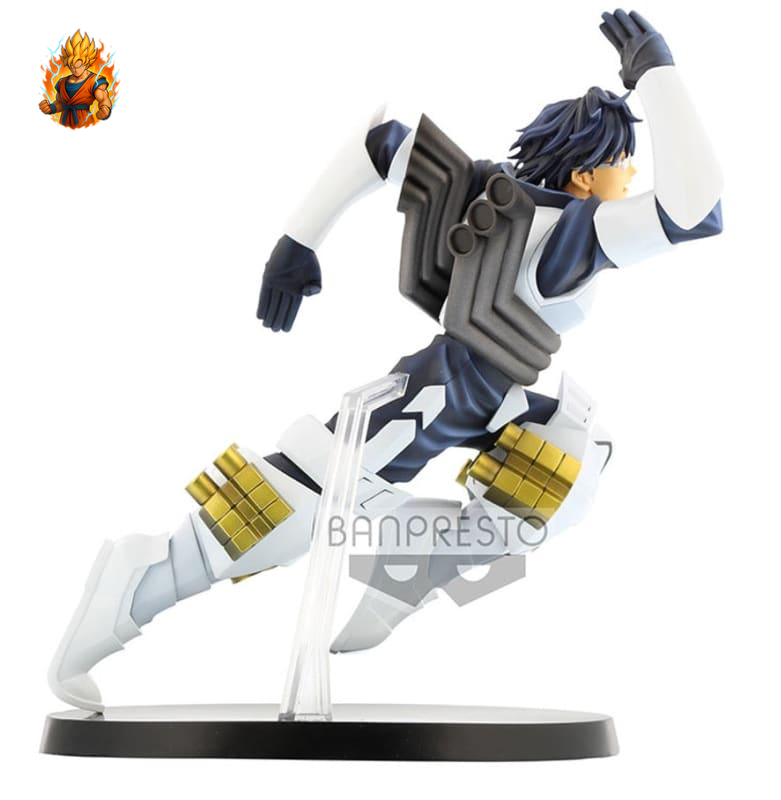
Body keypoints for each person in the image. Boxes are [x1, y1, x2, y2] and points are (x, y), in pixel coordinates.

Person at [49, 10, 722, 712]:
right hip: (437, 394)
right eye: (622, 164)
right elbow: (697, 210)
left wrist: (298, 242)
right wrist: (658, 73)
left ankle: (418, 563)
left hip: (493, 399)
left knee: (573, 461)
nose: (631, 175)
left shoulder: (496, 194)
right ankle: (143, 576)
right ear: (584, 175)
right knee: (291, 512)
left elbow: (385, 144)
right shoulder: (577, 235)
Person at [39, 30, 113, 128]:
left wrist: (105, 110)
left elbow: (104, 100)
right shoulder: (62, 82)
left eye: (79, 66)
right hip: (64, 123)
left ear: (87, 63)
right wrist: (50, 108)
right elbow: (60, 103)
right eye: (72, 66)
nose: (75, 70)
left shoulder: (94, 81)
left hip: (85, 123)